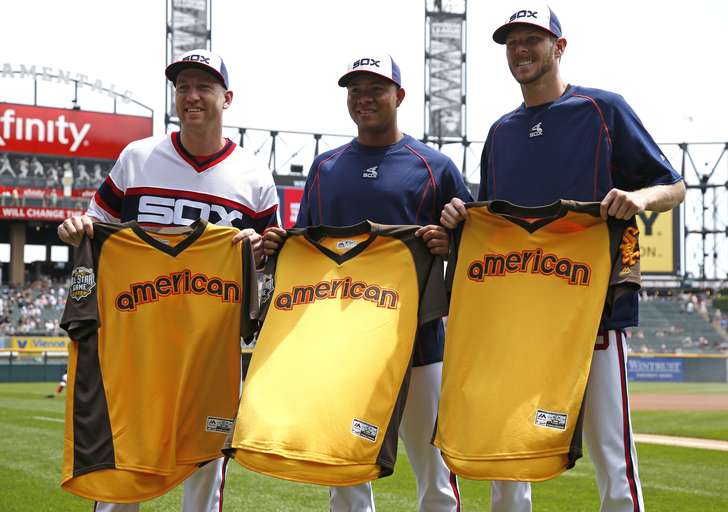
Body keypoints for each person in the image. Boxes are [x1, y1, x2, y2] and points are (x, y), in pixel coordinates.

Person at [441, 6, 685, 512]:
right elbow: (495, 227)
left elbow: (675, 187)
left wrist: (639, 199)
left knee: (612, 456)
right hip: (517, 316)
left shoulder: (603, 108)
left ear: (560, 46)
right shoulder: (501, 131)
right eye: (512, 41)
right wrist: (459, 222)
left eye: (534, 38)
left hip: (590, 308)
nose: (522, 49)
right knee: (504, 451)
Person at [57, 48, 279, 512]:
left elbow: (269, 266)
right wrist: (77, 229)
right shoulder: (138, 158)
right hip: (137, 342)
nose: (191, 96)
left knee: (205, 472)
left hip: (210, 348)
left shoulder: (254, 175)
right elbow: (95, 229)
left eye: (203, 87)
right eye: (182, 88)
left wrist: (260, 254)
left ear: (227, 97)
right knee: (122, 469)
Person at [263, 53, 470, 512]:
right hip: (345, 343)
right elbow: (309, 249)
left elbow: (475, 245)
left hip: (420, 341)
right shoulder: (326, 167)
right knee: (345, 468)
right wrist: (283, 246)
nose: (364, 99)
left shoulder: (434, 166)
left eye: (375, 88)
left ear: (399, 95)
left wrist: (448, 242)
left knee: (435, 470)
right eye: (355, 90)